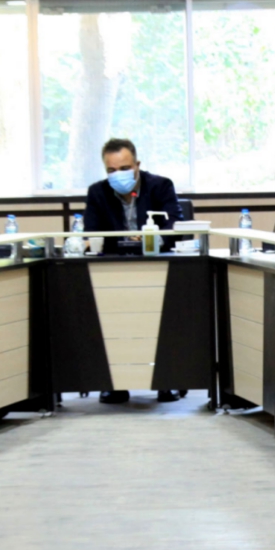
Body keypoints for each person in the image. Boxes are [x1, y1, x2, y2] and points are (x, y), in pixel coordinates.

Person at [82, 139, 185, 404]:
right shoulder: (97, 192)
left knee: (168, 312)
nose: (118, 175)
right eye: (111, 170)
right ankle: (115, 383)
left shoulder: (160, 186)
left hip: (157, 266)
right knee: (111, 317)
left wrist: (150, 239)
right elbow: (91, 234)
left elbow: (176, 227)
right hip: (114, 272)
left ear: (137, 165)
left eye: (125, 168)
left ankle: (167, 380)